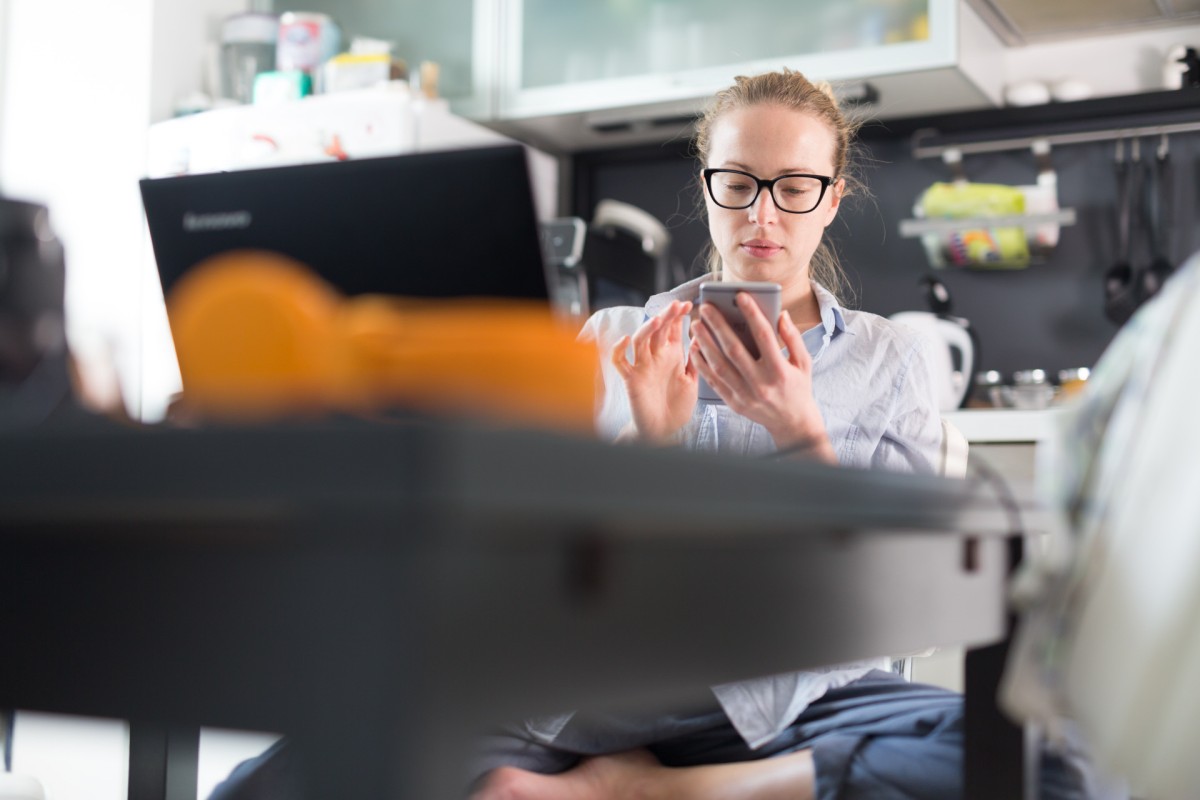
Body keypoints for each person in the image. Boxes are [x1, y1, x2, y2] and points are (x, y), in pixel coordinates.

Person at [468, 69, 1109, 800]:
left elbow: (907, 597)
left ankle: (655, 790)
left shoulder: (885, 358)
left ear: (832, 198)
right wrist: (650, 451)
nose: (762, 216)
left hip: (795, 702)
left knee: (1063, 765)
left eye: (794, 186)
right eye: (738, 183)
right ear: (707, 185)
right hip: (602, 694)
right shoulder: (612, 339)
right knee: (328, 755)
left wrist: (800, 430)